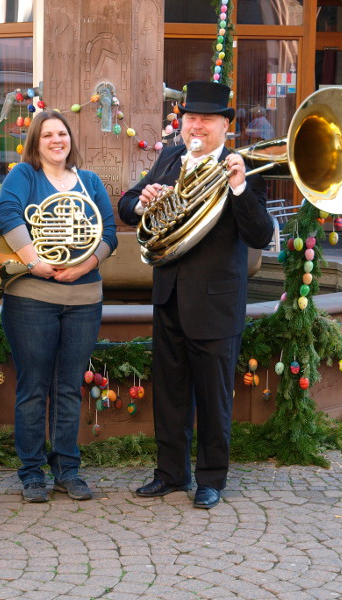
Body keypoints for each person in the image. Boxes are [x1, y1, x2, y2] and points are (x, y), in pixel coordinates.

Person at [118, 81, 274, 510]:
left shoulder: (244, 166)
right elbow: (127, 205)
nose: (196, 126)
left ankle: (210, 479)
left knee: (213, 395)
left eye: (206, 119)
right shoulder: (169, 158)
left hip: (216, 302)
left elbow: (260, 232)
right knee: (169, 392)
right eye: (190, 118)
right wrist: (143, 202)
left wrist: (239, 189)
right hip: (169, 297)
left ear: (225, 125)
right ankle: (170, 474)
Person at [0, 111, 117, 503]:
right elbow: (8, 213)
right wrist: (34, 261)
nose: (55, 140)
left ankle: (68, 469)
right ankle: (31, 473)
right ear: (36, 140)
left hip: (83, 299)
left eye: (61, 133)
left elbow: (109, 233)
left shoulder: (90, 181)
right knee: (33, 387)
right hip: (31, 298)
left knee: (68, 388)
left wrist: (83, 265)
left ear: (70, 139)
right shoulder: (23, 176)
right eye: (46, 134)